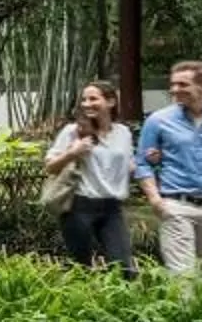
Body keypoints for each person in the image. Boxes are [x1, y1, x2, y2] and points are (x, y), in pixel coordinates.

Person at [136, 59, 202, 278]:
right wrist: (155, 200)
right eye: (173, 84)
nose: (174, 90)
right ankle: (182, 313)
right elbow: (142, 163)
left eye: (182, 84)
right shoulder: (158, 120)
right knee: (182, 276)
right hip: (177, 205)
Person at [43, 81, 135, 276]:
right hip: (79, 206)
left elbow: (127, 165)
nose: (87, 104)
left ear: (110, 102)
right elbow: (50, 167)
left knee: (124, 267)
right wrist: (72, 153)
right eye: (84, 99)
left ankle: (117, 305)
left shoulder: (123, 133)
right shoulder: (73, 131)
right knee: (80, 268)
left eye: (93, 99)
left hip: (112, 208)